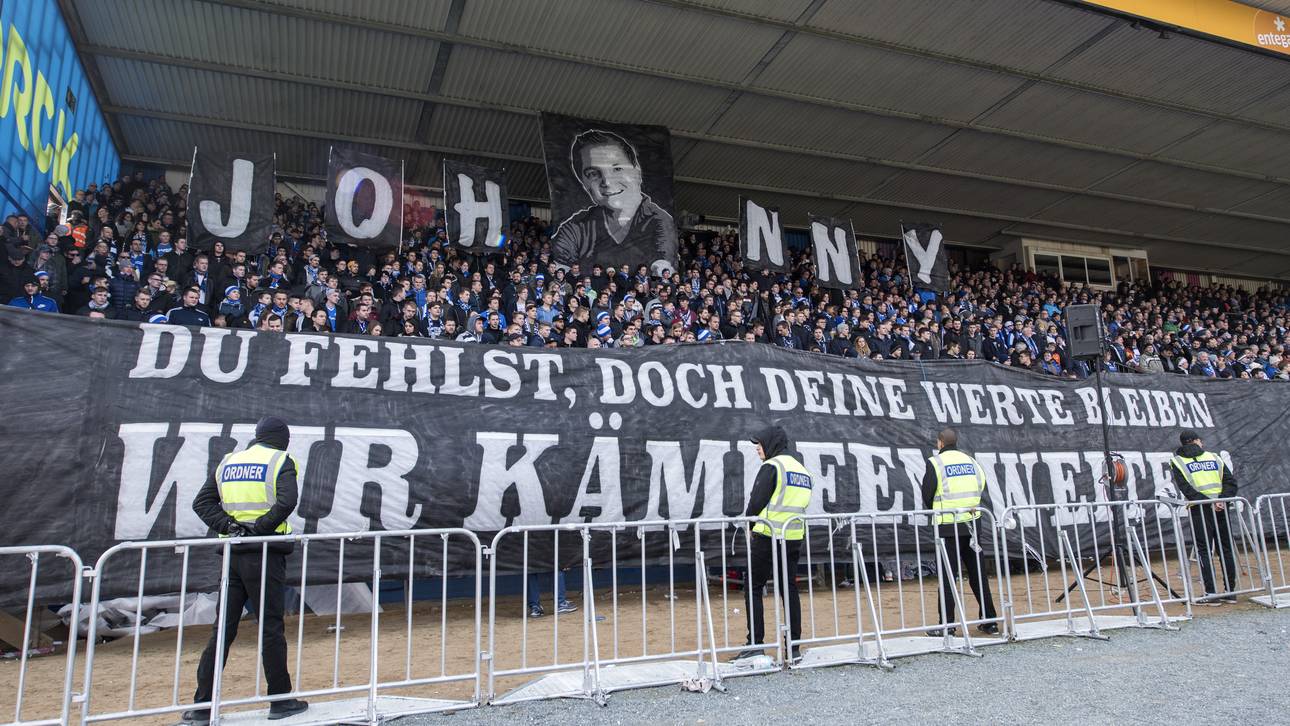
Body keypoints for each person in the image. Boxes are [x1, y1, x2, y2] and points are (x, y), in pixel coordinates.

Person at [184, 416, 308, 723]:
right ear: (282, 439)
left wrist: (230, 527)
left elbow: (202, 503)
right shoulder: (281, 459)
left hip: (232, 553)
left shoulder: (229, 461)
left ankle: (202, 706)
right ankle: (280, 700)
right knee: (270, 626)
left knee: (222, 630)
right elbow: (287, 500)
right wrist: (261, 530)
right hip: (264, 553)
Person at [550, 129, 677, 275]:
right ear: (583, 182)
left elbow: (664, 261)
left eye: (617, 168)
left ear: (637, 171)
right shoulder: (576, 228)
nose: (607, 182)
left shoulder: (661, 222)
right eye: (593, 174)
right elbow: (560, 267)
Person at [735, 425, 813, 662]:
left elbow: (756, 501)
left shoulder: (772, 466)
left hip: (767, 536)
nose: (758, 448)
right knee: (788, 588)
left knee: (753, 586)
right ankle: (794, 647)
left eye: (760, 443)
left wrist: (749, 523)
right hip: (792, 537)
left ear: (771, 444)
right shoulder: (802, 470)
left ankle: (756, 644)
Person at [920, 427, 999, 636]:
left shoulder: (935, 463)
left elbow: (927, 494)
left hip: (947, 527)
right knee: (978, 575)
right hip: (972, 526)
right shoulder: (971, 461)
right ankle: (990, 621)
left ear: (940, 443)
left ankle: (947, 625)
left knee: (948, 577)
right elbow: (981, 485)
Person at [1169, 430, 1238, 603]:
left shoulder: (1177, 461)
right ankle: (1230, 592)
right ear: (1195, 441)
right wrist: (1221, 500)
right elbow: (1230, 482)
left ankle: (1212, 594)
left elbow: (1186, 489)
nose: (1202, 444)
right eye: (1200, 441)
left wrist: (1207, 502)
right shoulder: (1214, 457)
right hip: (1221, 507)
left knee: (1203, 550)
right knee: (1226, 549)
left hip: (1200, 508)